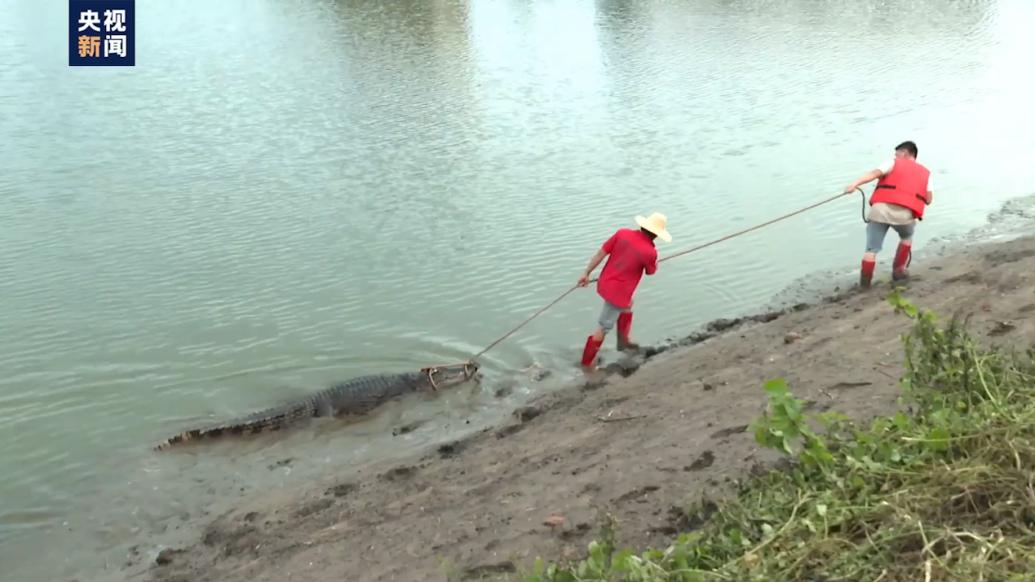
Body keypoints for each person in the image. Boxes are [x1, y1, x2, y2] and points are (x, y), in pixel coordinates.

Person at [576, 212, 671, 369]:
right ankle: (586, 364)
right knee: (603, 327)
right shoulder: (650, 252)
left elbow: (601, 253)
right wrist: (653, 260)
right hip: (618, 293)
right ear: (656, 235)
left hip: (605, 282)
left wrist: (586, 272)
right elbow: (650, 271)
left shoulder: (622, 233)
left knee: (628, 303)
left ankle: (623, 341)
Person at [843, 140, 933, 288]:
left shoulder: (892, 163)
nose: (895, 156)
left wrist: (854, 184)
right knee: (906, 238)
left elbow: (873, 174)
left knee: (871, 250)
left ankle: (865, 285)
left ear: (904, 153)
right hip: (905, 215)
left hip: (880, 211)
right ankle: (898, 271)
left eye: (897, 153)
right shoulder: (926, 174)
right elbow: (928, 200)